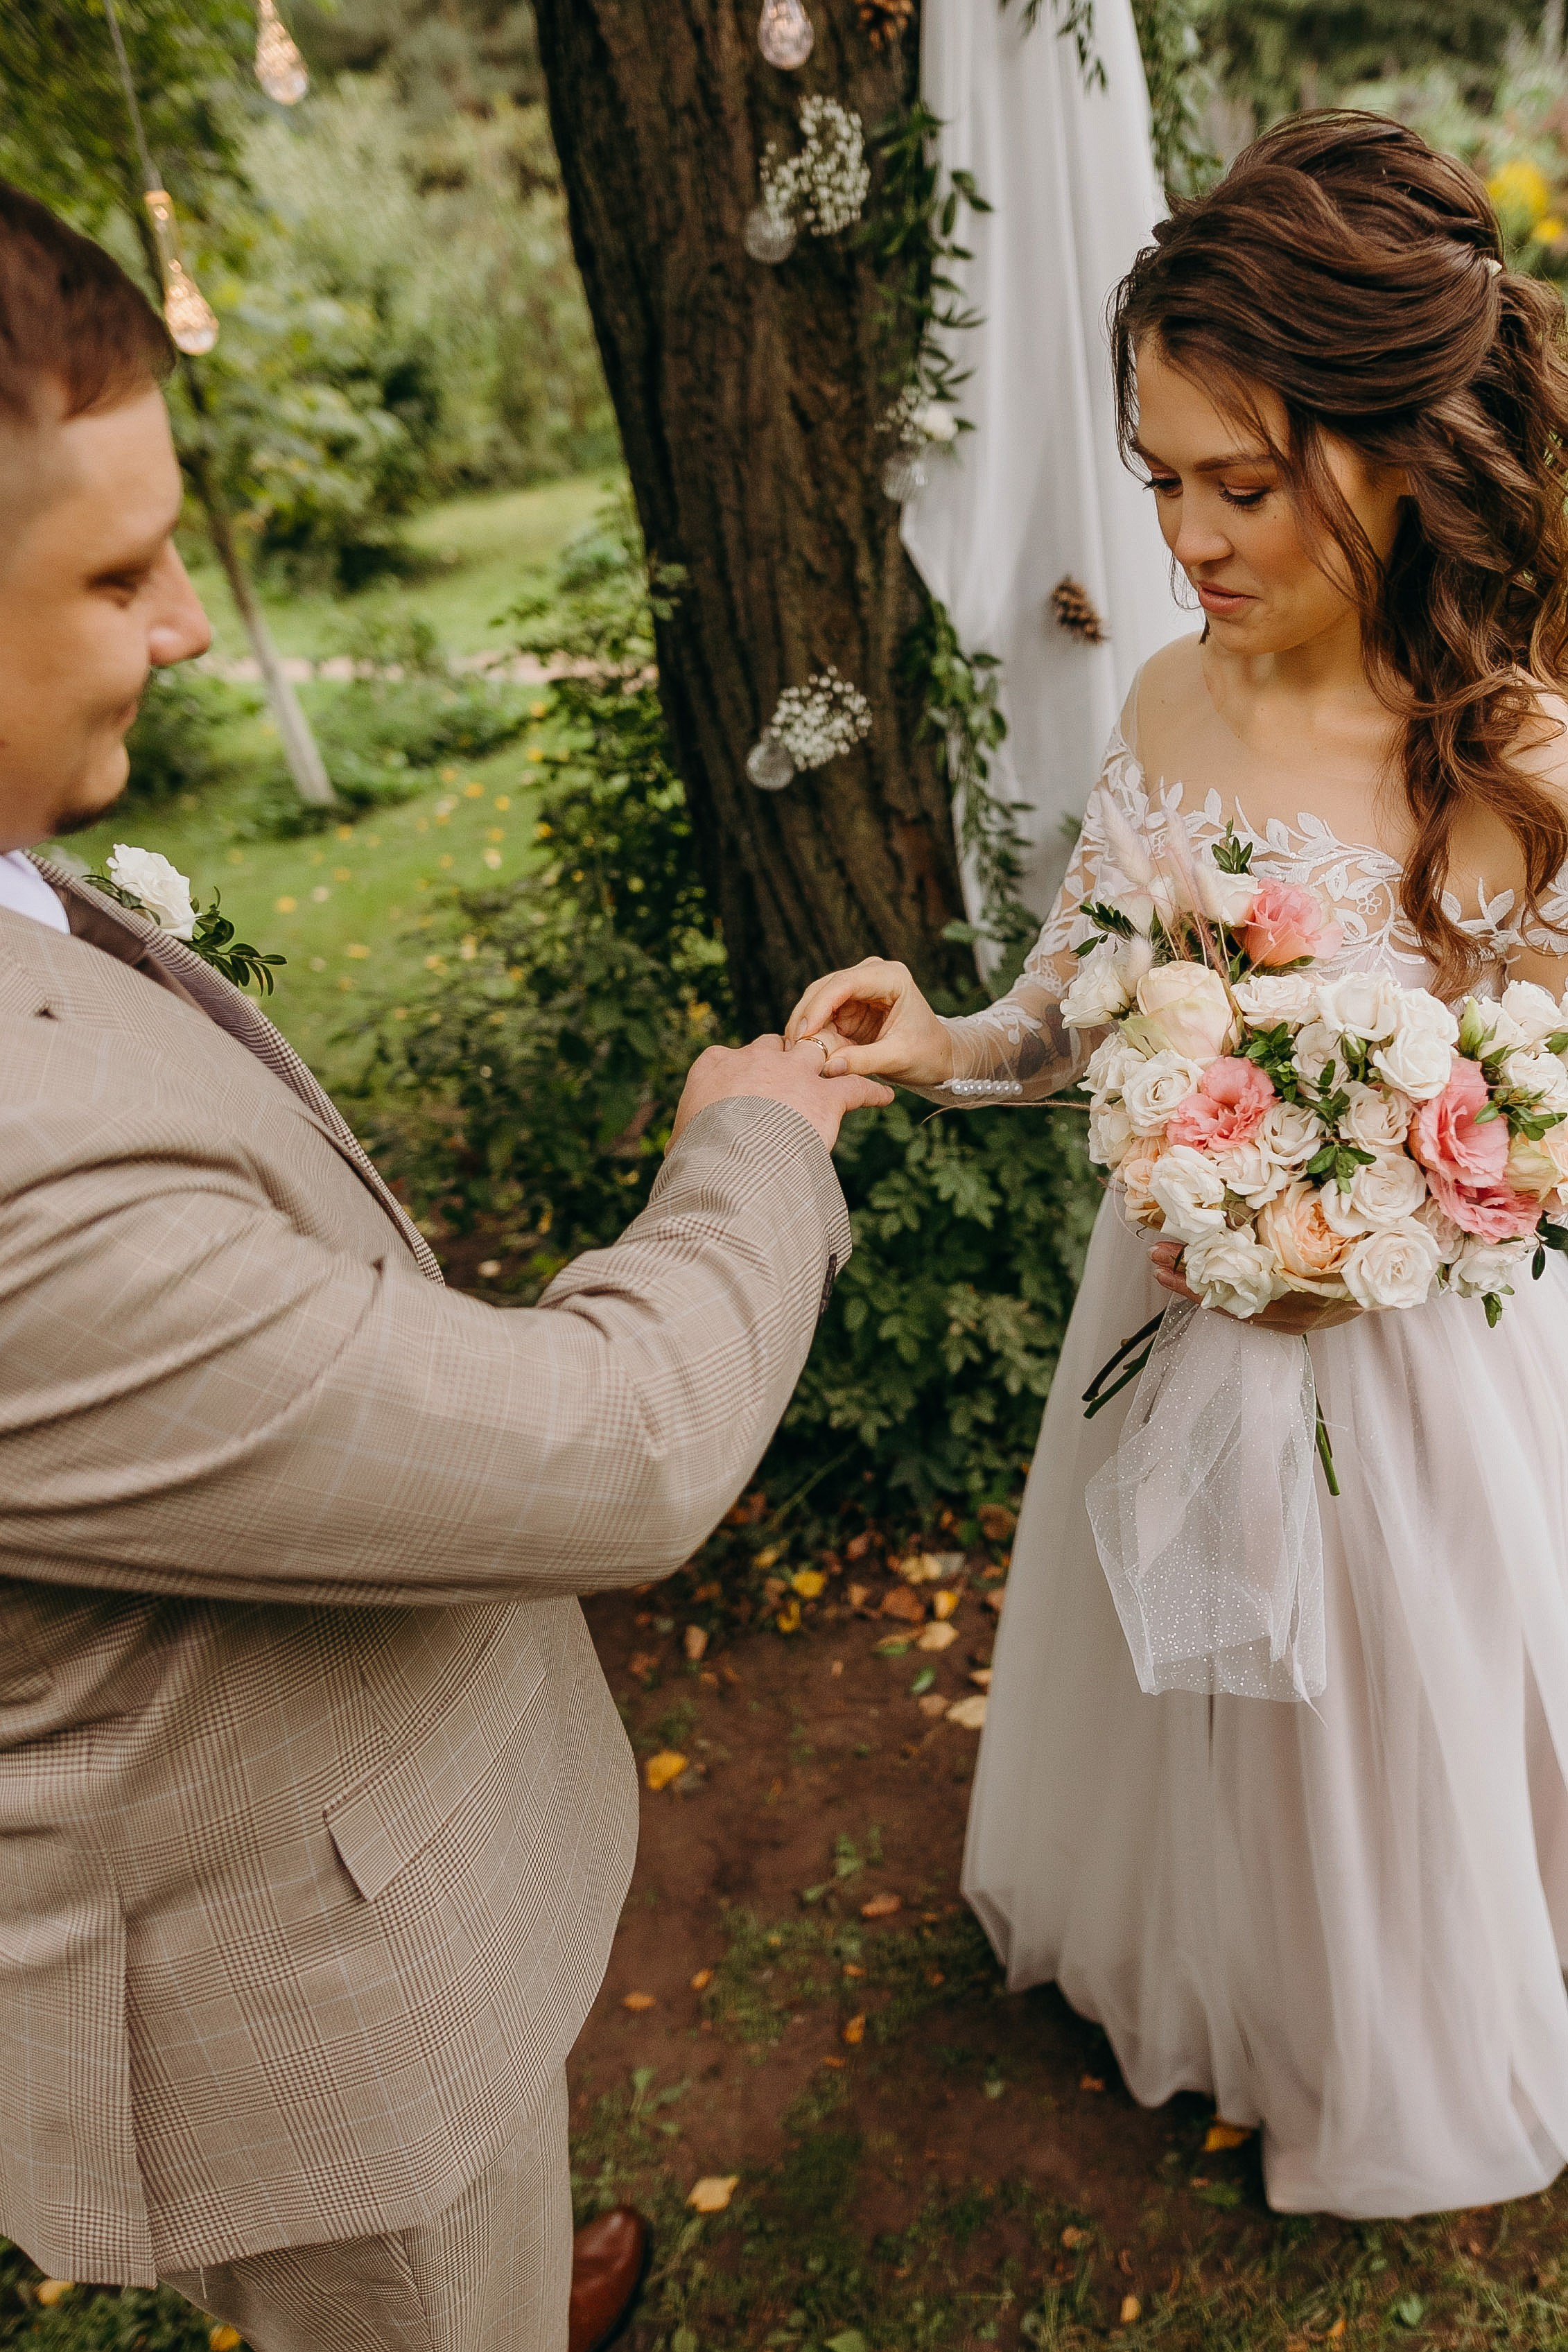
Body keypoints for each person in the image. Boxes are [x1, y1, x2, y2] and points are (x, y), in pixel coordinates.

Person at [0, 179, 890, 2349]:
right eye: (118, 573)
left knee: (488, 2223)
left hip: (359, 1843)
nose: (188, 622)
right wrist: (749, 1147)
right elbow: (625, 1443)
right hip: (309, 2019)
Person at [786, 112, 1568, 2217]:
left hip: (1408, 1359)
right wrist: (952, 1038)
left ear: (1406, 449)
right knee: (1201, 1686)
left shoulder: (1503, 759)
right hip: (1173, 1296)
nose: (1191, 537)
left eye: (1244, 483)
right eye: (1161, 480)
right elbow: (1084, 984)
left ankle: (1388, 2030)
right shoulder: (1158, 694)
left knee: (1388, 1700)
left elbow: (1557, 1108)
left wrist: (1406, 1209)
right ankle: (1231, 1985)